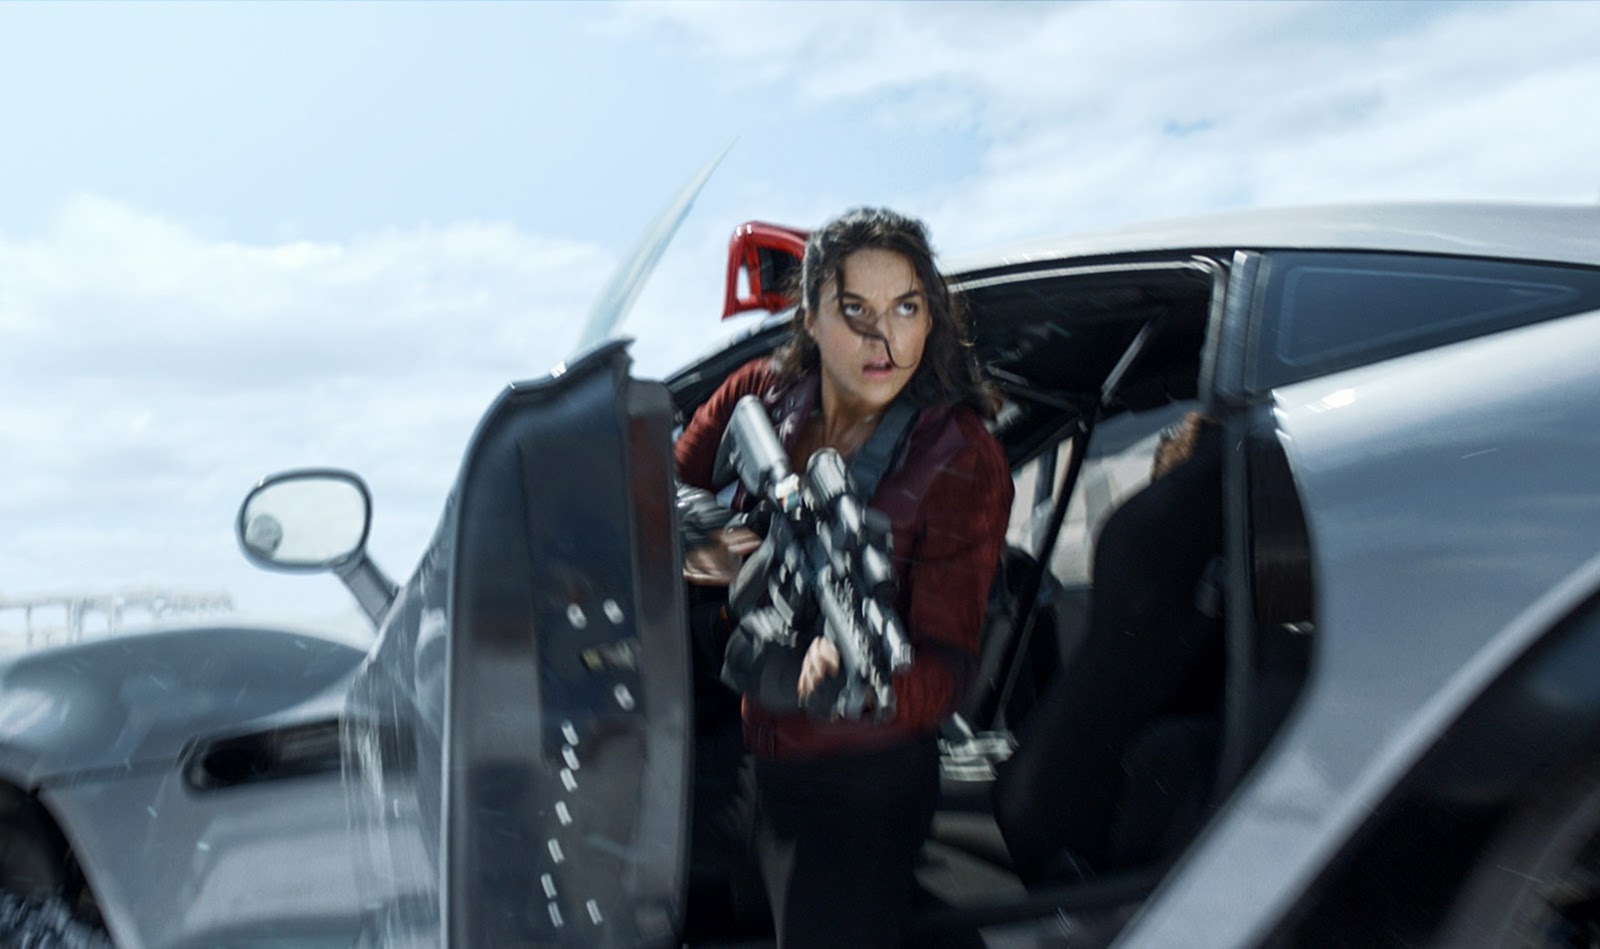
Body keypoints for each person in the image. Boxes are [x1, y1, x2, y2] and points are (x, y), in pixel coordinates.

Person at [675, 207, 1013, 947]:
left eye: (905, 309)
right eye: (855, 310)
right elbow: (656, 488)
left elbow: (949, 663)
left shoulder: (961, 455)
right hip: (751, 763)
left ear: (931, 318)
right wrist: (712, 544)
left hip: (861, 782)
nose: (881, 338)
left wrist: (862, 687)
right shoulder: (761, 394)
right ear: (811, 316)